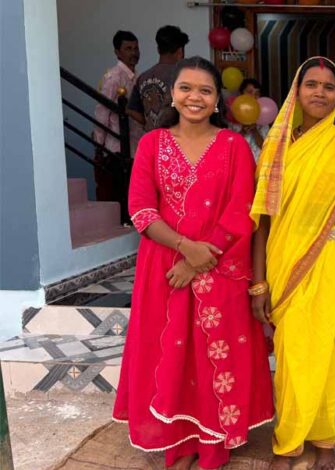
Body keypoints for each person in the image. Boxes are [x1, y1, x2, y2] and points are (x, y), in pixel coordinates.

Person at [113, 56, 274, 470]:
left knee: (212, 358)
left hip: (219, 268)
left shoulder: (234, 146)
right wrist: (185, 249)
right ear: (173, 94)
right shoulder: (152, 144)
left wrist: (199, 259)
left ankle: (213, 444)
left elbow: (243, 211)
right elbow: (141, 209)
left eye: (205, 90)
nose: (195, 97)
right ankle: (178, 443)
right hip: (165, 270)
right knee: (171, 357)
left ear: (218, 99)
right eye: (186, 88)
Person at [249, 56, 335, 470]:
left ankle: (324, 437)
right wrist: (258, 283)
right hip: (285, 259)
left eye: (329, 86)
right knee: (292, 355)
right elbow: (262, 221)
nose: (320, 92)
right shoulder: (274, 145)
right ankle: (288, 442)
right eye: (311, 84)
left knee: (331, 350)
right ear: (296, 93)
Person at [93, 30, 143, 201]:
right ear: (117, 52)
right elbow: (102, 111)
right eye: (128, 48)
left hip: (135, 147)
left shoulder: (137, 77)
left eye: (136, 48)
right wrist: (99, 146)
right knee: (118, 196)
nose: (134, 53)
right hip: (116, 148)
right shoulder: (114, 77)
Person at [127, 25, 189, 131]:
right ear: (180, 52)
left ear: (158, 49)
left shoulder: (143, 77)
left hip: (152, 138)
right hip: (175, 137)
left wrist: (150, 123)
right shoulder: (183, 77)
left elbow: (131, 110)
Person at [230, 78, 266, 161]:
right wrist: (243, 131)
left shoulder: (264, 120)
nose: (253, 96)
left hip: (258, 164)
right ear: (241, 94)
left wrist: (255, 131)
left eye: (257, 93)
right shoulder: (232, 119)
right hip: (239, 164)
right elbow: (229, 146)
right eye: (250, 92)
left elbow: (266, 148)